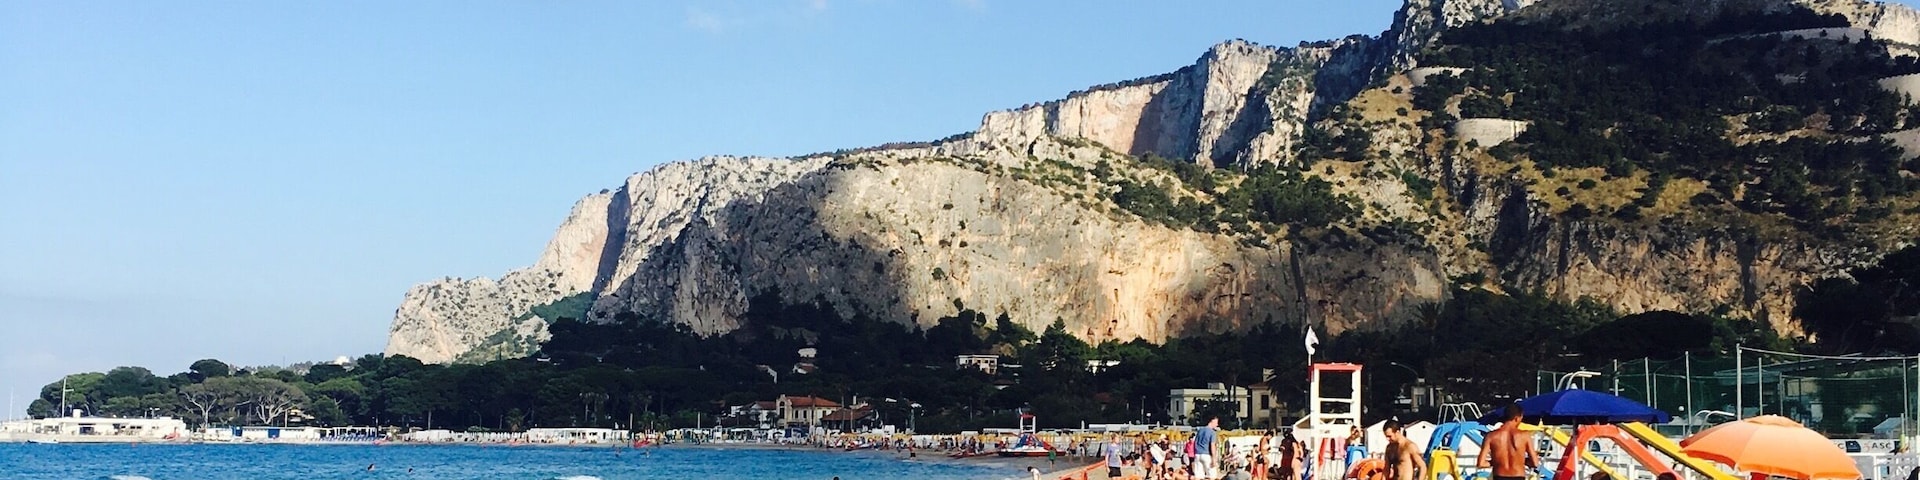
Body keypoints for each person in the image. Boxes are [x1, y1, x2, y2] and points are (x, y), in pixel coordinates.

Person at [1477, 402, 1540, 480]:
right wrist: (1521, 461)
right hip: (1518, 476)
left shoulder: (1490, 436)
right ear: (1517, 418)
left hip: (1499, 476)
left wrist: (1497, 462)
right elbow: (1535, 463)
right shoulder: (1525, 436)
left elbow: (1481, 463)